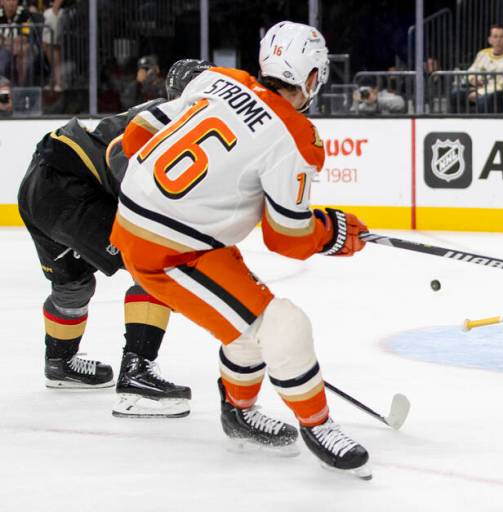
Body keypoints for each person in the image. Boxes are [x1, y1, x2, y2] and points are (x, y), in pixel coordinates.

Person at [109, 21, 372, 479]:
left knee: (248, 321)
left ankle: (238, 411)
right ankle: (317, 424)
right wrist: (331, 232)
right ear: (312, 77)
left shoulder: (219, 80)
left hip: (166, 231)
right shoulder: (297, 137)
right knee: (283, 324)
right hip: (169, 251)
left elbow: (136, 134)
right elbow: (286, 238)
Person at [15, 59, 211, 418]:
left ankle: (60, 362)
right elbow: (123, 161)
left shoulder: (163, 114)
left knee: (72, 282)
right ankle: (136, 377)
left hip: (40, 182)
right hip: (70, 188)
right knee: (155, 264)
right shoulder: (176, 123)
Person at [451, 24, 503, 113]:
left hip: (497, 92)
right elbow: (471, 71)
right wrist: (472, 79)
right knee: (455, 94)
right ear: (490, 40)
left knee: (485, 99)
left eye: (501, 37)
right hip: (477, 88)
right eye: (495, 37)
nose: (498, 40)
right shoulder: (482, 53)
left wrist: (480, 92)